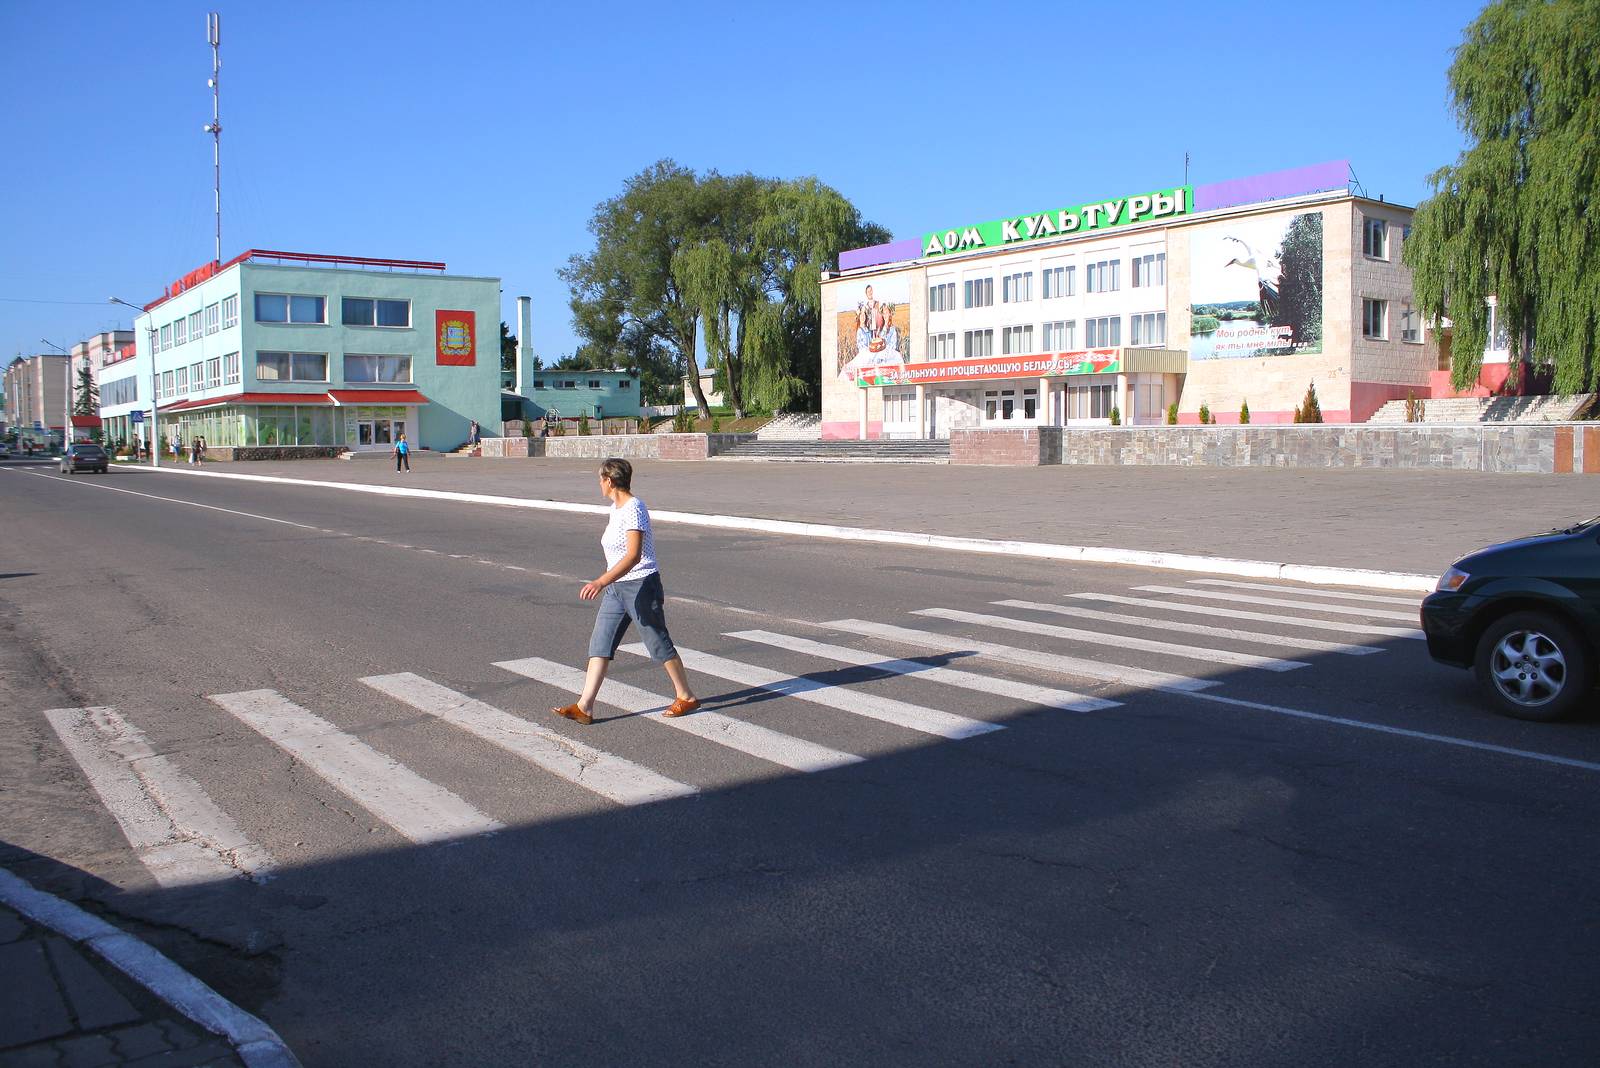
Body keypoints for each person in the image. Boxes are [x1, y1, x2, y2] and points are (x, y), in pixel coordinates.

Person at [551, 458, 699, 725]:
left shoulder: (634, 508)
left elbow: (633, 555)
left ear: (609, 481)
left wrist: (600, 582)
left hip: (641, 585)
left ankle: (686, 695)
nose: (599, 484)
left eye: (600, 479)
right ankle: (585, 706)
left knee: (657, 642)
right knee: (600, 643)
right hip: (617, 588)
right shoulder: (615, 509)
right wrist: (609, 583)